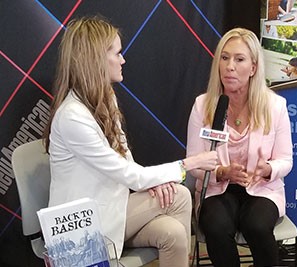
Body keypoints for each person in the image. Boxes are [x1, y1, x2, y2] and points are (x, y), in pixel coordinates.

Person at [42, 16, 219, 267]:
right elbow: (127, 172)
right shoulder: (72, 117)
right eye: (117, 53)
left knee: (175, 233)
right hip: (83, 227)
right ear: (96, 60)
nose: (123, 60)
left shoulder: (105, 98)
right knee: (178, 195)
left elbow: (123, 156)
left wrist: (152, 182)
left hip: (112, 207)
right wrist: (190, 163)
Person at [186, 28, 293, 267]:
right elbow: (193, 162)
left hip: (262, 188)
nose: (229, 66)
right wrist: (221, 172)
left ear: (253, 68)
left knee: (256, 225)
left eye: (239, 59)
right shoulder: (203, 106)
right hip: (217, 188)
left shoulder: (275, 106)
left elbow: (286, 160)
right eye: (224, 58)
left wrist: (268, 169)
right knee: (215, 226)